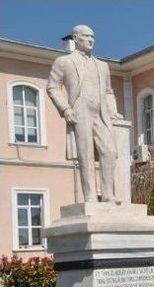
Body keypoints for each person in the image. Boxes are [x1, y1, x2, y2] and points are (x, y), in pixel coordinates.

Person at [47, 24, 121, 203]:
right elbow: (52, 87)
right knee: (85, 152)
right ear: (76, 38)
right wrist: (65, 109)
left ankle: (108, 193)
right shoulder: (64, 62)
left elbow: (108, 91)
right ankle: (89, 195)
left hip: (101, 111)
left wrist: (113, 111)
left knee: (109, 151)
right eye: (86, 36)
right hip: (80, 110)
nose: (91, 40)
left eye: (93, 37)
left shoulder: (102, 65)